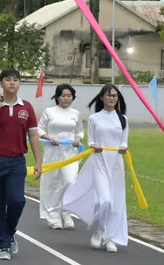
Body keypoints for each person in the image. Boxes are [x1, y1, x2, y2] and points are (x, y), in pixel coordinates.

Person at [0, 68, 42, 260]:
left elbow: (32, 134)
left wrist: (39, 161)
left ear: (20, 83)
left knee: (17, 200)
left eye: (16, 80)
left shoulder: (27, 107)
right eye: (8, 80)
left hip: (16, 161)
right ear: (1, 84)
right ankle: (2, 245)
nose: (12, 83)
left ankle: (9, 231)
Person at [62, 84, 129, 253]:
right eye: (108, 95)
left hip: (116, 164)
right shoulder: (94, 119)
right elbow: (91, 139)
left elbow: (124, 141)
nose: (112, 98)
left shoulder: (123, 119)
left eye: (114, 96)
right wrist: (94, 145)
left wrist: (123, 147)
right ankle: (98, 231)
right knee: (103, 200)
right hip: (99, 161)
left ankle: (109, 236)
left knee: (114, 203)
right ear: (101, 98)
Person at [37, 84, 82, 230]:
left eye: (69, 96)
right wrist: (48, 137)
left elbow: (80, 131)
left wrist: (78, 140)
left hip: (69, 153)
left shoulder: (75, 113)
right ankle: (52, 215)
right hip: (53, 152)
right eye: (63, 95)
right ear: (57, 97)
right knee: (52, 184)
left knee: (70, 181)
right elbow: (38, 128)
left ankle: (66, 211)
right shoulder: (49, 112)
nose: (66, 98)